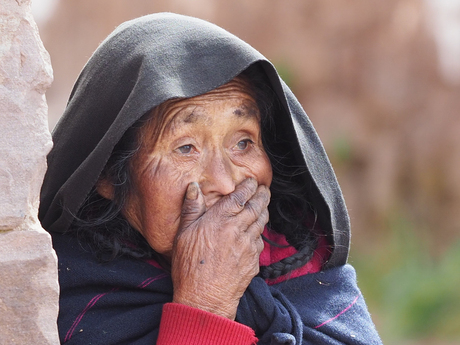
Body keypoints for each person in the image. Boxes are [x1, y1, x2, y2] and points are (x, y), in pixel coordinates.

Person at [39, 13, 383, 345]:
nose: (226, 183)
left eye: (243, 142)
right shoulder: (65, 295)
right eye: (186, 148)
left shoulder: (306, 270)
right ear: (109, 179)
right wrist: (205, 305)